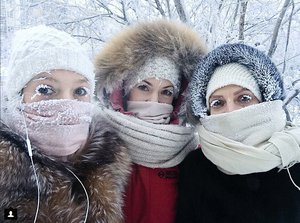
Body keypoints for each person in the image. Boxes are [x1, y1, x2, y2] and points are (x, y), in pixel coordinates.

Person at [0, 25, 130, 222]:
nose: (67, 104)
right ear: (17, 96)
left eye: (79, 91)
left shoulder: (109, 163)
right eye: (45, 90)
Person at [94, 19, 207, 223]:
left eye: (166, 92)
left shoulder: (191, 154)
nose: (154, 101)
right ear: (124, 91)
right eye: (144, 87)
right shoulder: (95, 148)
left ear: (178, 98)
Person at [176, 43, 300, 223]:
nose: (231, 111)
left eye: (244, 98)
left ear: (264, 101)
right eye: (218, 103)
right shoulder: (196, 168)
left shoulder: (294, 159)